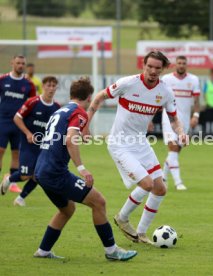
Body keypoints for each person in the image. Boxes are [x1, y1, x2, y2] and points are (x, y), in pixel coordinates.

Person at [1, 77, 137, 260]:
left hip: (41, 170)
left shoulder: (60, 110)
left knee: (67, 209)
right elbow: (69, 139)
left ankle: (43, 251)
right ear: (89, 97)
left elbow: (66, 133)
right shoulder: (79, 112)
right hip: (55, 172)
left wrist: (82, 132)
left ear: (71, 94)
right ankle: (112, 251)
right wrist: (82, 168)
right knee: (99, 202)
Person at [86, 51, 187, 244]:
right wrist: (86, 124)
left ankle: (140, 233)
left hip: (140, 142)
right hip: (119, 143)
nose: (153, 71)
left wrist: (180, 132)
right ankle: (122, 218)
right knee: (147, 184)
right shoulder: (128, 83)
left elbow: (174, 118)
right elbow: (99, 97)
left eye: (157, 68)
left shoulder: (165, 91)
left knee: (160, 189)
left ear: (162, 69)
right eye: (150, 66)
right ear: (144, 65)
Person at [0, 76, 60, 206]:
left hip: (44, 146)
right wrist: (28, 133)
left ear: (56, 88)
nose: (51, 88)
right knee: (25, 174)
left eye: (53, 86)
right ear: (43, 86)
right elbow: (17, 118)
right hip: (28, 144)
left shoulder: (56, 107)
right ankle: (9, 179)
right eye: (48, 85)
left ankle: (20, 198)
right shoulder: (33, 102)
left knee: (39, 174)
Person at [161, 55, 200, 190]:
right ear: (175, 64)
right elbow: (159, 97)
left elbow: (196, 101)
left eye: (184, 63)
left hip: (184, 120)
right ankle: (178, 183)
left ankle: (163, 178)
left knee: (176, 151)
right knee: (172, 148)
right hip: (168, 118)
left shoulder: (194, 80)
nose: (181, 65)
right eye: (179, 63)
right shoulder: (166, 79)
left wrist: (196, 115)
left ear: (186, 65)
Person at [0, 55, 36, 193]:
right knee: (1, 150)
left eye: (23, 63)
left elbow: (33, 104)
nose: (21, 65)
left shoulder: (29, 84)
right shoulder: (3, 80)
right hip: (3, 121)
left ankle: (11, 183)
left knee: (16, 153)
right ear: (12, 63)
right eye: (18, 63)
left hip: (19, 124)